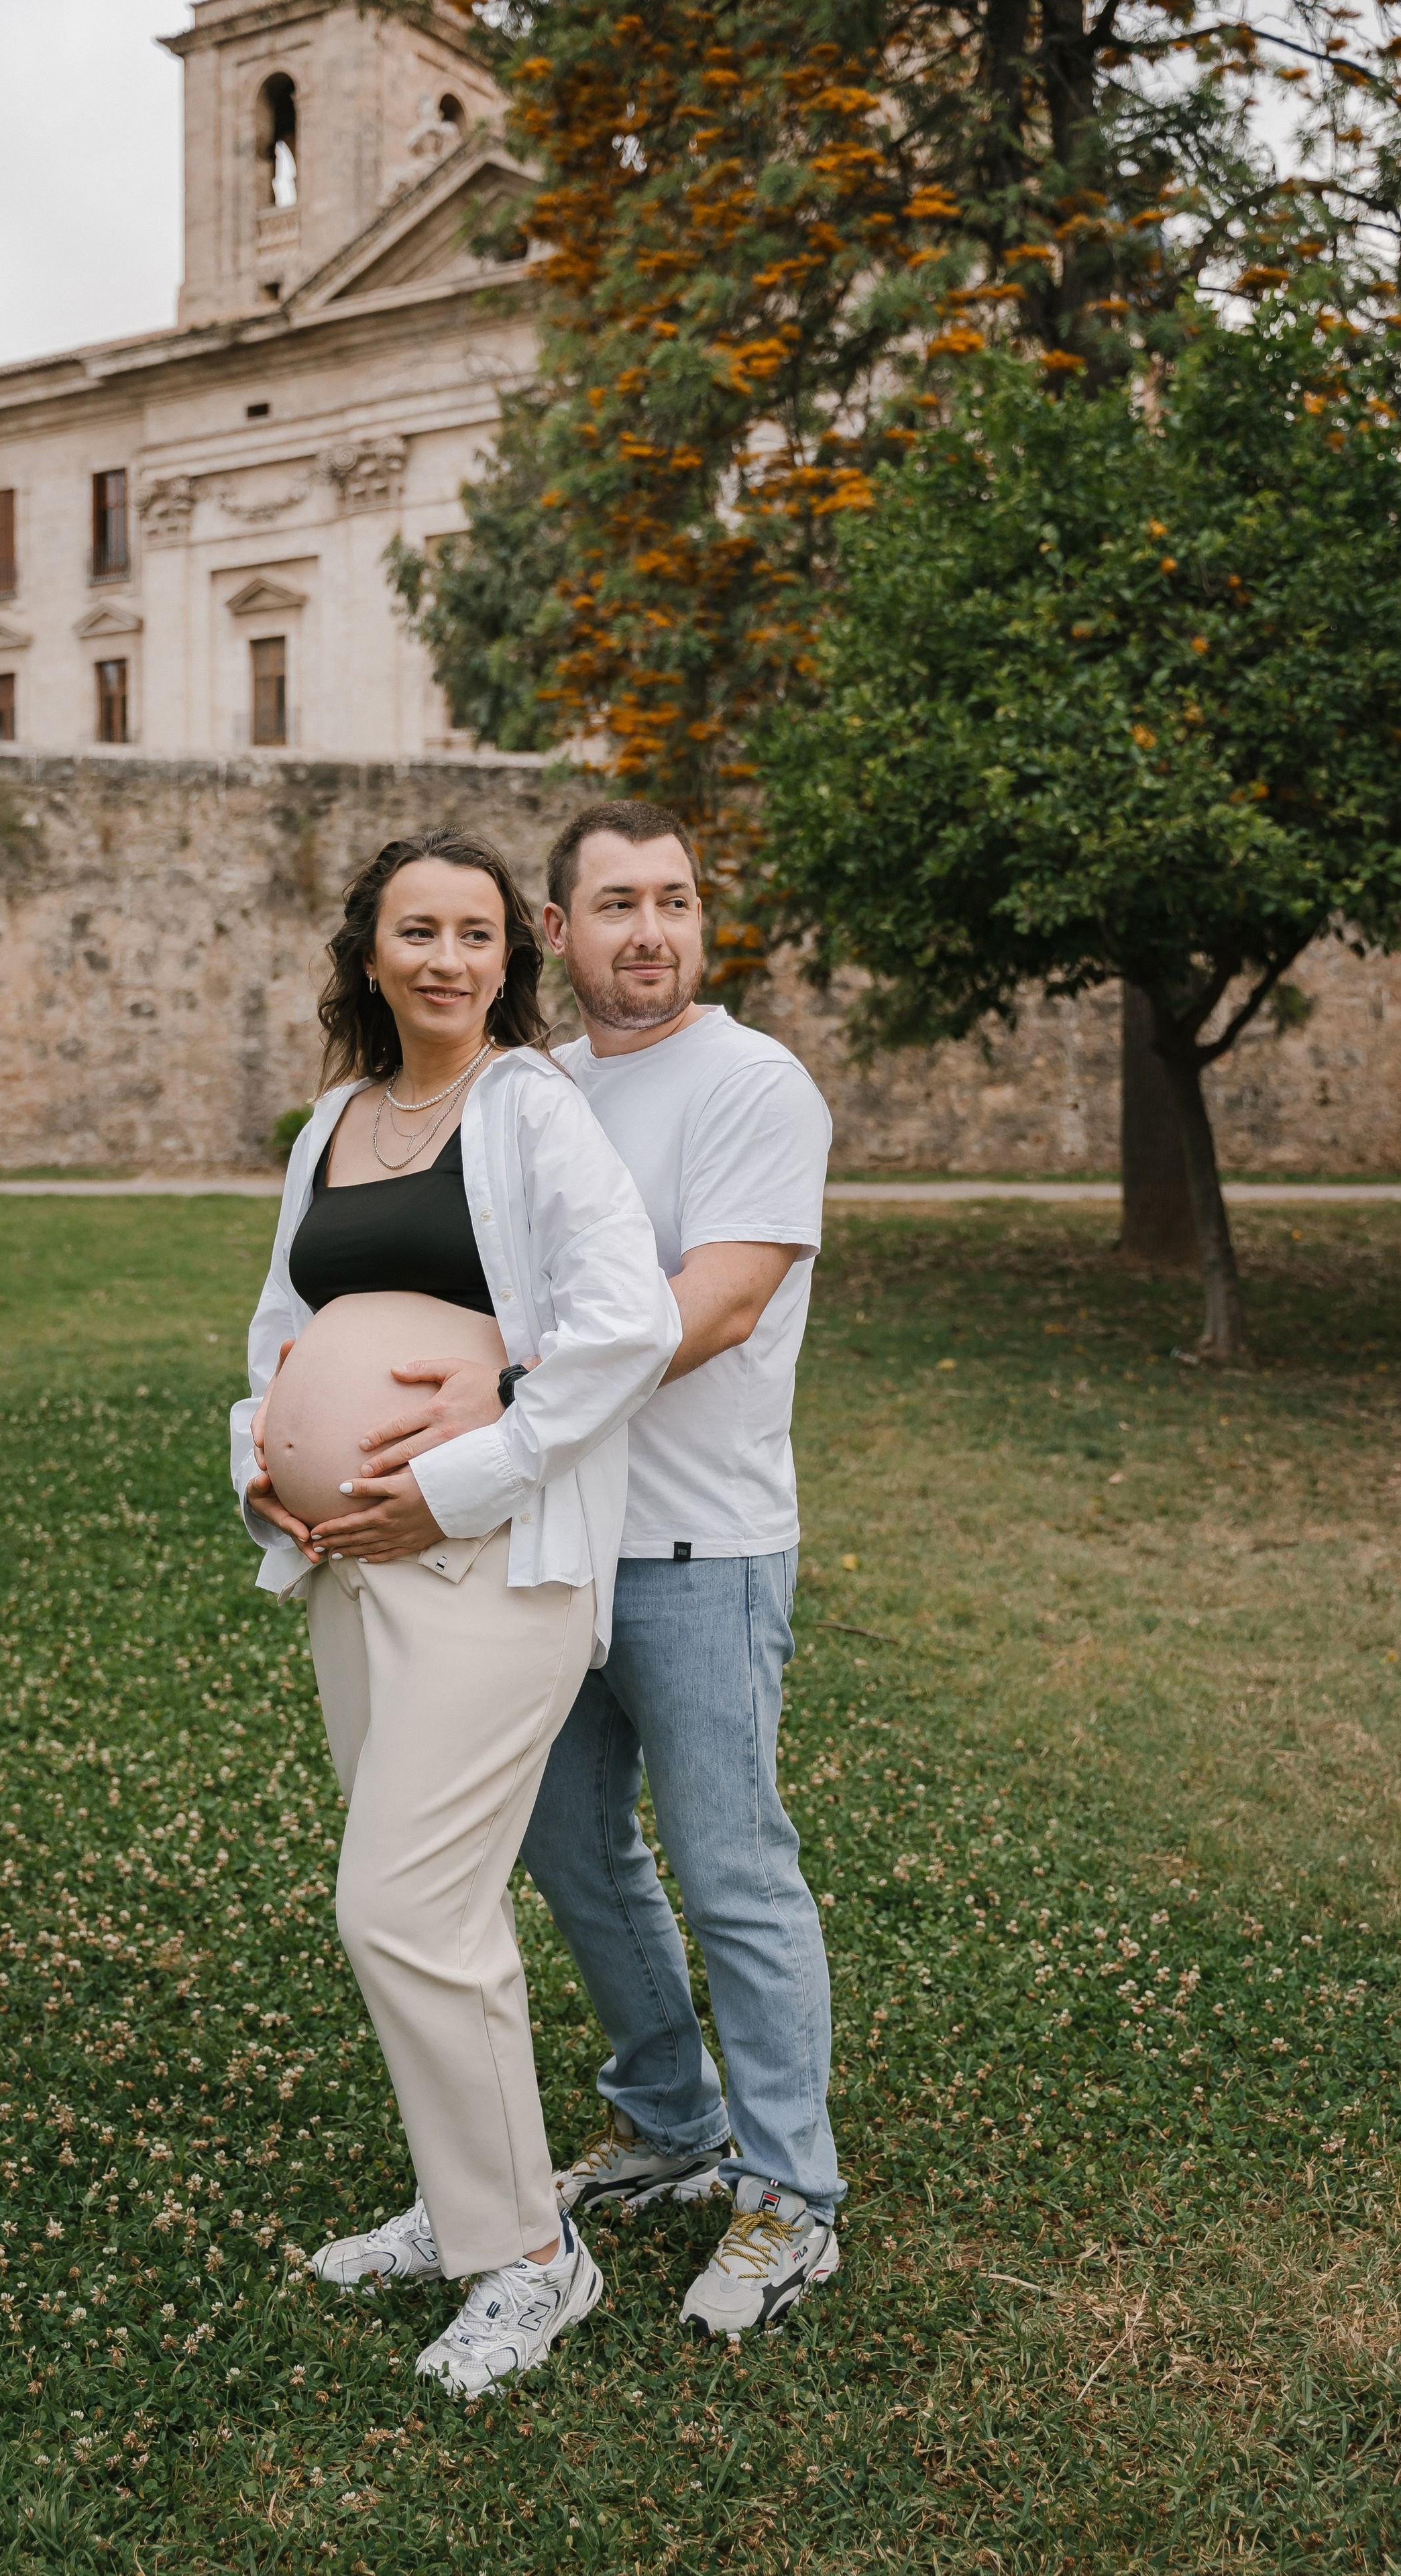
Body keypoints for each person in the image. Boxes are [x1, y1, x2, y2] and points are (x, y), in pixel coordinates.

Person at [357, 799, 840, 2339]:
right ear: (555, 934)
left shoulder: (752, 1084)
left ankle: (790, 2196)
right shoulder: (529, 1088)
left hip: (699, 1543)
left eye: (675, 901)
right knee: (572, 1856)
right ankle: (669, 2123)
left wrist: (501, 1388)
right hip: (545, 1540)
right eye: (616, 905)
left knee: (730, 1871)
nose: (651, 932)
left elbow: (712, 1305)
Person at [231, 826, 680, 2394]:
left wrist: (463, 1473)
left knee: (400, 1909)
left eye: (475, 934)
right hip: (349, 1566)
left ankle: (533, 2262)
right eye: (416, 931)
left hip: (495, 1566)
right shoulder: (335, 1120)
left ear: (509, 958)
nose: (446, 959)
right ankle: (463, 2196)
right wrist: (266, 1472)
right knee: (441, 1914)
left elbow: (626, 1328)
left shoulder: (532, 1112)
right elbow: (283, 1334)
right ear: (369, 953)